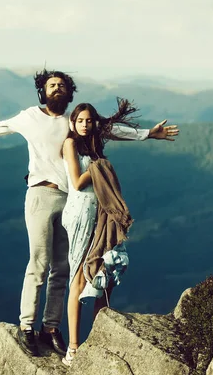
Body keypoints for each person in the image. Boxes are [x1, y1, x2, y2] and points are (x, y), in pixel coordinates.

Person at [0, 69, 179, 357]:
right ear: (42, 91)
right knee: (39, 263)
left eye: (62, 85)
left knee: (62, 268)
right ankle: (27, 327)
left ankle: (51, 328)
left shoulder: (73, 122)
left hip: (70, 201)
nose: (57, 88)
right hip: (41, 195)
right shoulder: (30, 117)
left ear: (69, 93)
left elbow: (107, 129)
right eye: (52, 85)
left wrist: (148, 134)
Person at [60, 100, 144, 366]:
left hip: (98, 213)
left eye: (89, 120)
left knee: (103, 270)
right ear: (72, 122)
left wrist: (150, 134)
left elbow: (118, 130)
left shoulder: (93, 145)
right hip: (80, 213)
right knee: (77, 278)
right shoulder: (70, 144)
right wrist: (100, 168)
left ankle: (98, 337)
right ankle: (73, 347)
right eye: (80, 120)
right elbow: (76, 180)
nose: (84, 125)